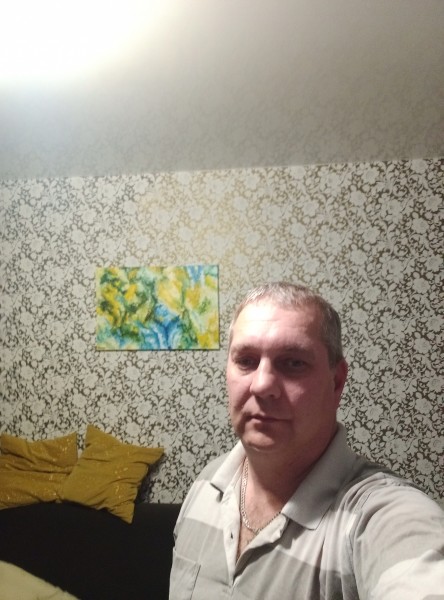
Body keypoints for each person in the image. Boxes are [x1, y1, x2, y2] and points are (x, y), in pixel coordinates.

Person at [169, 282, 444, 599]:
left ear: (336, 382)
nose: (262, 385)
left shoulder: (381, 517)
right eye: (246, 360)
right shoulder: (205, 485)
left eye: (293, 363)